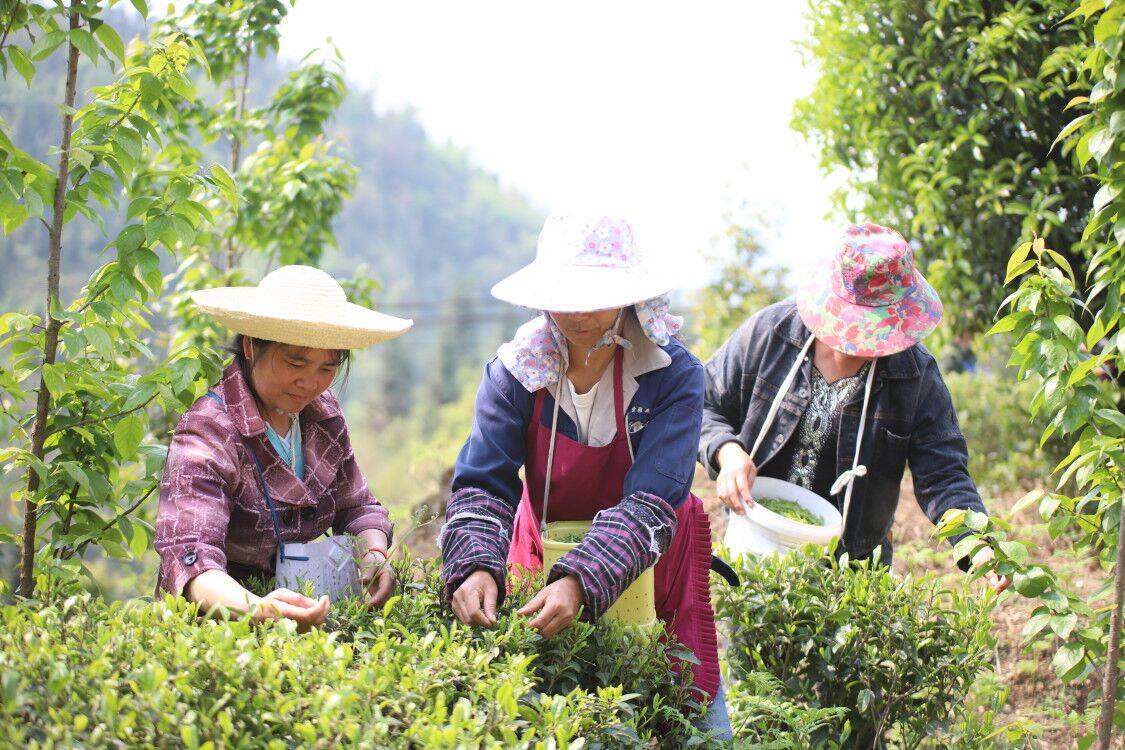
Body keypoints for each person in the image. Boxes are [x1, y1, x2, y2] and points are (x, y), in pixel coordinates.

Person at [439, 214, 730, 738]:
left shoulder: (673, 375)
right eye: (564, 294)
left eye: (595, 296)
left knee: (681, 709)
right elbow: (484, 482)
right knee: (549, 712)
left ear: (628, 295)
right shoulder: (515, 374)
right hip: (543, 546)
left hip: (652, 556)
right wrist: (473, 567)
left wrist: (581, 579)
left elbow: (651, 501)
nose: (576, 312)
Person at [700, 223, 1008, 589]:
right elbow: (702, 403)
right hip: (756, 542)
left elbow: (944, 475)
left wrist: (976, 542)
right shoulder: (772, 334)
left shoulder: (914, 376)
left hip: (851, 570)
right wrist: (727, 451)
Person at [155, 265, 413, 629]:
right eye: (296, 361)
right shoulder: (209, 431)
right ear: (250, 346)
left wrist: (373, 552)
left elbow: (358, 506)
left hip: (313, 620)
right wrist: (259, 608)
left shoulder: (324, 415)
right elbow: (190, 558)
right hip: (224, 632)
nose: (310, 382)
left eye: (327, 367)